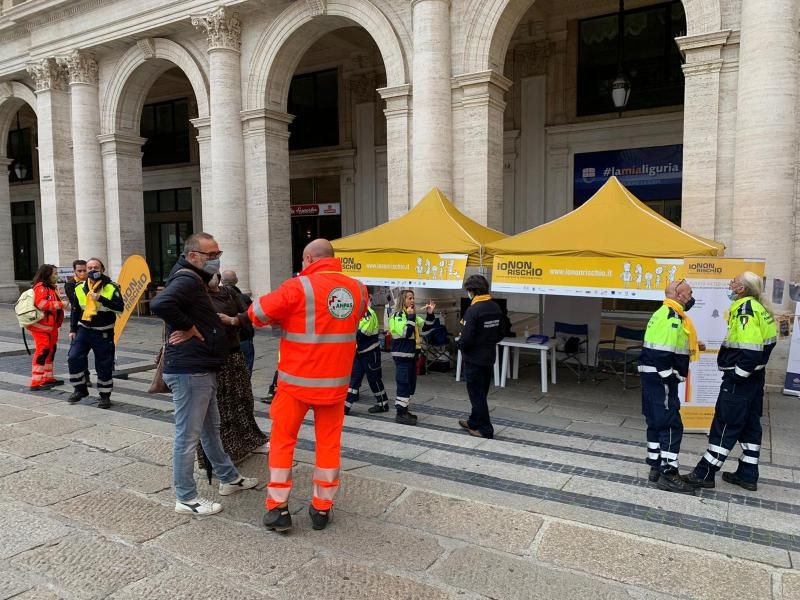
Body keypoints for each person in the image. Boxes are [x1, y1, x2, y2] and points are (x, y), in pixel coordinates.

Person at [249, 238, 367, 532]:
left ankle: (278, 509)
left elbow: (257, 314)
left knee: (283, 442)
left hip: (295, 384)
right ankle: (322, 509)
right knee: (328, 445)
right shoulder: (358, 289)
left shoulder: (298, 286)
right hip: (336, 385)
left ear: (307, 258)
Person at [150, 232, 259, 516]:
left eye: (218, 253)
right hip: (190, 370)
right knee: (188, 436)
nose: (217, 259)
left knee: (211, 429)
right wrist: (187, 327)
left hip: (200, 366)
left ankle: (229, 477)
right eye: (212, 255)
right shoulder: (187, 278)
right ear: (193, 255)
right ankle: (186, 498)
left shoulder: (191, 277)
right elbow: (160, 304)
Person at [683, 272, 776, 492]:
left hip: (741, 380)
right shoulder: (760, 309)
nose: (730, 283)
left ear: (741, 289)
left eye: (733, 281)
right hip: (755, 379)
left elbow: (751, 352)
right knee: (750, 426)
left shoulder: (745, 310)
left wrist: (737, 376)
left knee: (725, 424)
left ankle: (704, 473)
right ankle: (748, 473)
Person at [196, 272, 268, 476]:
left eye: (214, 274)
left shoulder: (228, 293)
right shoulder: (198, 295)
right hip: (212, 358)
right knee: (219, 408)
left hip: (234, 353)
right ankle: (221, 455)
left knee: (243, 399)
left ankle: (248, 440)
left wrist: (233, 321)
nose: (211, 278)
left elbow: (247, 314)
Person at [637, 279, 699, 495]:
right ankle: (669, 473)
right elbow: (662, 352)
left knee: (655, 422)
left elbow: (666, 344)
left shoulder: (663, 313)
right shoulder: (672, 316)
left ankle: (655, 466)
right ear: (679, 295)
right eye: (690, 293)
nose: (692, 297)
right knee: (671, 424)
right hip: (660, 379)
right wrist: (669, 377)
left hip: (651, 377)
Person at [66, 258, 123, 409]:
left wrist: (102, 299)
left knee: (103, 364)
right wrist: (72, 329)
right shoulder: (79, 287)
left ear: (102, 269)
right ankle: (80, 389)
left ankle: (104, 396)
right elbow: (75, 310)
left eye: (95, 267)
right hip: (83, 329)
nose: (92, 270)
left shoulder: (111, 287)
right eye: (89, 267)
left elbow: (120, 308)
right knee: (73, 357)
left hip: (103, 332)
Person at [456, 275, 503, 439]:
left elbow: (466, 338)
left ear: (473, 291)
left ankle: (485, 429)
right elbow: (501, 333)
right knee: (481, 392)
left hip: (474, 358)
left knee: (476, 395)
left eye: (468, 290)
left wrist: (460, 345)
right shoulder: (495, 307)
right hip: (489, 356)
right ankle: (474, 420)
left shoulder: (473, 309)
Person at [388, 289, 436, 425]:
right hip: (402, 356)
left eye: (413, 298)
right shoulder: (398, 315)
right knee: (403, 384)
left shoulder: (412, 315)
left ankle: (404, 410)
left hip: (412, 356)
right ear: (403, 300)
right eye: (409, 298)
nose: (413, 301)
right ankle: (400, 414)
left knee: (410, 385)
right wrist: (410, 318)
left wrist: (430, 314)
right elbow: (405, 334)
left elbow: (426, 329)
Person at [345, 290, 389, 415]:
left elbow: (363, 333)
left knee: (374, 379)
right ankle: (346, 406)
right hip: (360, 352)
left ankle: (383, 404)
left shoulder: (368, 313)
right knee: (354, 379)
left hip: (370, 353)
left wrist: (348, 334)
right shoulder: (358, 313)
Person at [27, 264, 65, 391]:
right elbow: (41, 304)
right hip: (41, 327)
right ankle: (36, 382)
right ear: (47, 274)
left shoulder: (50, 288)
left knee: (51, 350)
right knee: (42, 351)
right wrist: (61, 304)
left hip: (50, 327)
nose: (56, 275)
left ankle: (47, 378)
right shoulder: (41, 287)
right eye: (54, 273)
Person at [220, 270, 255, 375]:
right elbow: (251, 315)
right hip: (244, 337)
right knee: (246, 369)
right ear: (236, 280)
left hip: (228, 340)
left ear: (221, 281)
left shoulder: (217, 298)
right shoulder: (244, 298)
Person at [64, 259, 91, 388]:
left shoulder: (93, 282)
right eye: (79, 271)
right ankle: (84, 376)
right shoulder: (71, 284)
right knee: (78, 353)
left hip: (95, 322)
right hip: (81, 323)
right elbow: (75, 304)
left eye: (85, 270)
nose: (82, 273)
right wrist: (72, 329)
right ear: (74, 271)